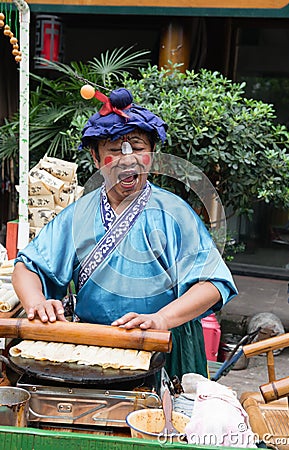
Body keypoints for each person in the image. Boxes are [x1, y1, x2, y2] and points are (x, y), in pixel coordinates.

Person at [12, 87, 238, 379]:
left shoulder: (175, 213)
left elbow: (212, 283)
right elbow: (26, 267)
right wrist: (36, 303)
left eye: (138, 148)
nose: (127, 160)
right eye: (115, 150)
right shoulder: (78, 215)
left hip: (164, 345)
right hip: (95, 343)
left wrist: (160, 319)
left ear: (152, 156)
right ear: (96, 158)